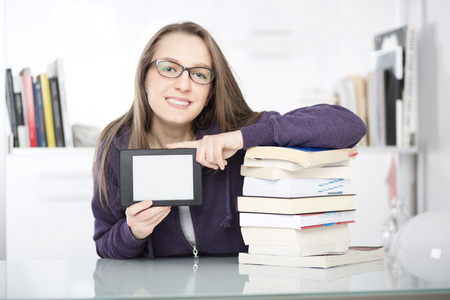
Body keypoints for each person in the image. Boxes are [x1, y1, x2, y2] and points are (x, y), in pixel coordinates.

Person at [91, 21, 367, 259]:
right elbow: (105, 245)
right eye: (169, 68)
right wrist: (133, 232)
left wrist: (242, 138)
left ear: (210, 91)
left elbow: (349, 125)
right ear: (144, 77)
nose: (184, 84)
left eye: (199, 74)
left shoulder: (239, 133)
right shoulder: (116, 145)